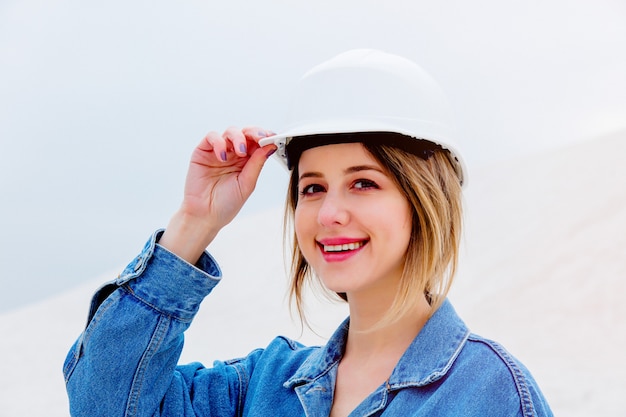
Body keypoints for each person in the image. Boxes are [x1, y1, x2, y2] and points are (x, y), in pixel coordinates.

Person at [64, 49, 553, 416]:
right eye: (313, 187)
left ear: (423, 200)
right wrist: (196, 221)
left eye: (364, 182)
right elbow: (103, 402)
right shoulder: (262, 386)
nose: (329, 213)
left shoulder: (490, 393)